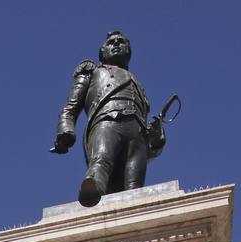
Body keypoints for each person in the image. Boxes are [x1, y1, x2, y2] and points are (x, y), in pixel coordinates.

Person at [52, 31, 166, 207]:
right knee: (102, 160)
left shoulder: (138, 83)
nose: (116, 44)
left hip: (137, 132)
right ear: (102, 51)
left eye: (121, 42)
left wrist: (156, 142)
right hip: (107, 122)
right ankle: (93, 189)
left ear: (128, 51)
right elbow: (70, 107)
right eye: (111, 42)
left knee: (134, 185)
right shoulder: (92, 72)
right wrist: (66, 130)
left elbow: (150, 149)